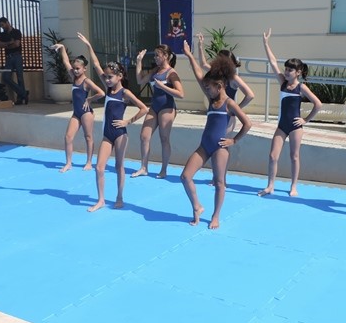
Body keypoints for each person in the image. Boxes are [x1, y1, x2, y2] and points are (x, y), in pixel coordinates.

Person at [181, 40, 251, 228]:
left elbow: (247, 123)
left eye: (209, 87)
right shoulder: (211, 100)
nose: (206, 90)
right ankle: (197, 207)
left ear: (219, 86)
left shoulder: (229, 103)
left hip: (220, 147)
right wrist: (189, 55)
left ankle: (215, 216)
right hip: (204, 146)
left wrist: (234, 140)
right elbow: (198, 74)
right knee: (185, 176)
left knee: (219, 182)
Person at [77, 33, 148, 212]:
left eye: (110, 77)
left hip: (120, 134)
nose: (107, 80)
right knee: (99, 168)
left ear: (120, 76)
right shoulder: (108, 90)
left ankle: (119, 196)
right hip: (107, 135)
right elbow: (95, 64)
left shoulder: (125, 93)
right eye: (106, 77)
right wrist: (89, 45)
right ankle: (101, 200)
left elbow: (144, 109)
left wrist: (128, 121)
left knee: (118, 166)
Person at [258, 28, 322, 198]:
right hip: (282, 125)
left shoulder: (301, 87)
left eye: (290, 70)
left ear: (298, 72)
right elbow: (273, 62)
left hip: (295, 126)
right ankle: (270, 185)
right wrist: (266, 43)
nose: (286, 72)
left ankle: (293, 186)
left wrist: (305, 120)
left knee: (294, 156)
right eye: (285, 69)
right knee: (273, 156)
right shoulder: (282, 82)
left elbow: (318, 104)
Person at [131, 44, 184, 179]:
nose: (155, 58)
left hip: (167, 107)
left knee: (164, 138)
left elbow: (181, 93)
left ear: (165, 56)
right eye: (154, 55)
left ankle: (163, 170)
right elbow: (140, 80)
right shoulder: (155, 70)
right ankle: (144, 167)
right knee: (144, 136)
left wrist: (162, 86)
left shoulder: (171, 73)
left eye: (157, 55)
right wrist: (139, 61)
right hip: (154, 107)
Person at [51, 44, 105, 172]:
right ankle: (68, 163)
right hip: (76, 113)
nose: (75, 71)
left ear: (84, 69)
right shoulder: (73, 77)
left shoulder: (87, 81)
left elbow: (101, 93)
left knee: (88, 137)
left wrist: (89, 99)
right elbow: (65, 62)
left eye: (78, 69)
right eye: (74, 68)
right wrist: (62, 48)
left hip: (86, 113)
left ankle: (89, 162)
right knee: (68, 137)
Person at [0, 17, 28, 105]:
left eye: (3, 25)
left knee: (20, 77)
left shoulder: (16, 32)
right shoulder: (3, 34)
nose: (2, 27)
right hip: (8, 57)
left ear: (7, 22)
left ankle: (20, 98)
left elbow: (16, 44)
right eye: (1, 26)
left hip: (17, 56)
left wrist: (5, 45)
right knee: (6, 77)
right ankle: (23, 93)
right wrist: (9, 43)